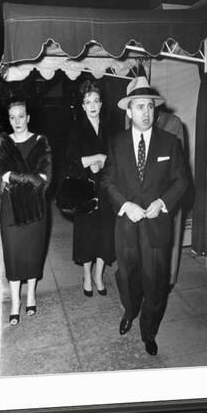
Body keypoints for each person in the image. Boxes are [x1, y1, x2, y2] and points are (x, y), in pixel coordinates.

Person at [101, 76, 188, 355]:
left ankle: (148, 330)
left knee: (155, 281)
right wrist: (126, 205)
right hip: (126, 224)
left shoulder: (170, 142)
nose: (146, 113)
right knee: (126, 276)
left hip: (156, 227)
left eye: (150, 107)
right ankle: (130, 310)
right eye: (139, 107)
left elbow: (182, 182)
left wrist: (162, 202)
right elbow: (107, 182)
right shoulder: (116, 143)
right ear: (129, 111)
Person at [0, 99, 52, 325]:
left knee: (34, 254)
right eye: (12, 117)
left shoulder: (40, 142)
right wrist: (14, 178)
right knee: (14, 256)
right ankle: (15, 302)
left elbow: (46, 176)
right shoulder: (2, 145)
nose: (17, 121)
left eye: (21, 116)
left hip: (35, 211)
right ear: (9, 120)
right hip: (11, 212)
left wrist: (17, 177)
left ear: (28, 117)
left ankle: (31, 296)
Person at [66, 80, 115, 297]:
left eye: (96, 100)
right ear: (83, 106)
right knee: (86, 235)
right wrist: (97, 158)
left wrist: (104, 162)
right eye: (88, 102)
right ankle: (87, 275)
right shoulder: (77, 129)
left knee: (105, 234)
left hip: (106, 190)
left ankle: (98, 275)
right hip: (85, 191)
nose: (93, 105)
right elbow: (73, 161)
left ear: (101, 103)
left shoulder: (110, 127)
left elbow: (116, 159)